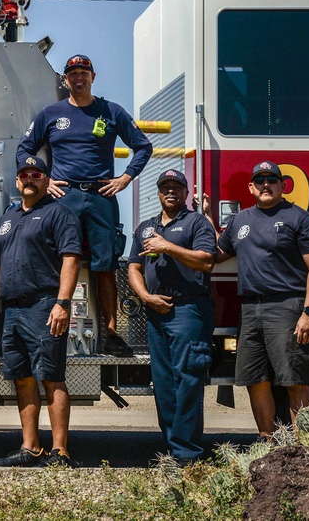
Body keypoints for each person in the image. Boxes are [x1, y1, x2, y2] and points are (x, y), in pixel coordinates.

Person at [17, 54, 153, 357]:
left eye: (83, 73)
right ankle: (48, 327)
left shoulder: (110, 112)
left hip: (101, 196)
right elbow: (24, 149)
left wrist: (125, 178)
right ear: (65, 79)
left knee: (104, 266)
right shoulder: (51, 114)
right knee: (57, 263)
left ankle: (112, 334)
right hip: (63, 199)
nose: (78, 78)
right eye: (72, 74)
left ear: (93, 77)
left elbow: (144, 146)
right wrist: (44, 181)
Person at [209, 161, 309, 439]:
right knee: (256, 380)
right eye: (260, 180)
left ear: (283, 185)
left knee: (295, 380)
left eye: (271, 180)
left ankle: (306, 449)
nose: (266, 185)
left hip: (288, 307)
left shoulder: (300, 218)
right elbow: (218, 252)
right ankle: (268, 444)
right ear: (251, 187)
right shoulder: (240, 221)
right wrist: (203, 220)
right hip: (250, 309)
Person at [0, 156, 82, 468]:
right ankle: (31, 448)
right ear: (16, 181)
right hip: (11, 310)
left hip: (44, 306)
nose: (29, 179)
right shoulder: (8, 216)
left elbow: (70, 259)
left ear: (45, 180)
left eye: (36, 174)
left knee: (51, 377)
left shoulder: (59, 213)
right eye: (24, 174)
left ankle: (60, 452)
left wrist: (62, 303)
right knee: (22, 379)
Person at [127, 169, 216, 463]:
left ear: (185, 192)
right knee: (163, 383)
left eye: (176, 186)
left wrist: (167, 246)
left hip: (188, 310)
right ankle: (172, 449)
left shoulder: (196, 222)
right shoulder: (145, 228)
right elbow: (134, 268)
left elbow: (206, 261)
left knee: (188, 380)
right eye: (165, 186)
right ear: (158, 192)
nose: (170, 191)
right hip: (155, 312)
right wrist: (144, 296)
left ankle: (187, 453)